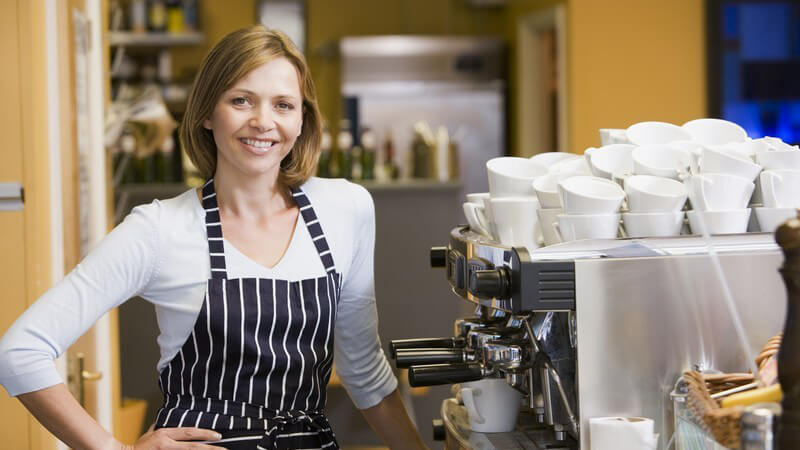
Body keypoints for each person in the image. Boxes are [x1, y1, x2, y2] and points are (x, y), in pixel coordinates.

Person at [0, 26, 428, 450]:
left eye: (283, 105)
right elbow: (20, 350)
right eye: (241, 100)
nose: (263, 122)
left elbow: (364, 370)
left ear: (302, 120)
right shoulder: (159, 228)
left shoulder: (346, 209)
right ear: (207, 112)